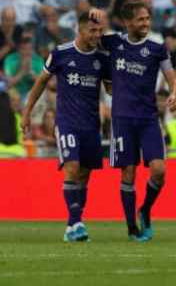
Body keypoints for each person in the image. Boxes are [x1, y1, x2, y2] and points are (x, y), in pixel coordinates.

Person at [90, 2, 176, 242]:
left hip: (149, 118)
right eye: (140, 20)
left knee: (159, 170)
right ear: (128, 22)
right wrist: (95, 15)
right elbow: (90, 33)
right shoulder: (114, 42)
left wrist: (173, 93)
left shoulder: (157, 48)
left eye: (148, 19)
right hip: (122, 119)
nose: (146, 24)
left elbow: (172, 78)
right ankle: (132, 228)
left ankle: (146, 209)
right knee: (128, 173)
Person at [20, 12, 110, 242]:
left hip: (91, 125)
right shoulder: (61, 53)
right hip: (67, 122)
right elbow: (41, 82)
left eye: (99, 31)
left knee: (85, 175)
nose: (96, 35)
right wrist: (27, 112)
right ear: (79, 30)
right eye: (92, 30)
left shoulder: (103, 58)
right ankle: (77, 223)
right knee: (72, 167)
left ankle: (73, 225)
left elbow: (110, 89)